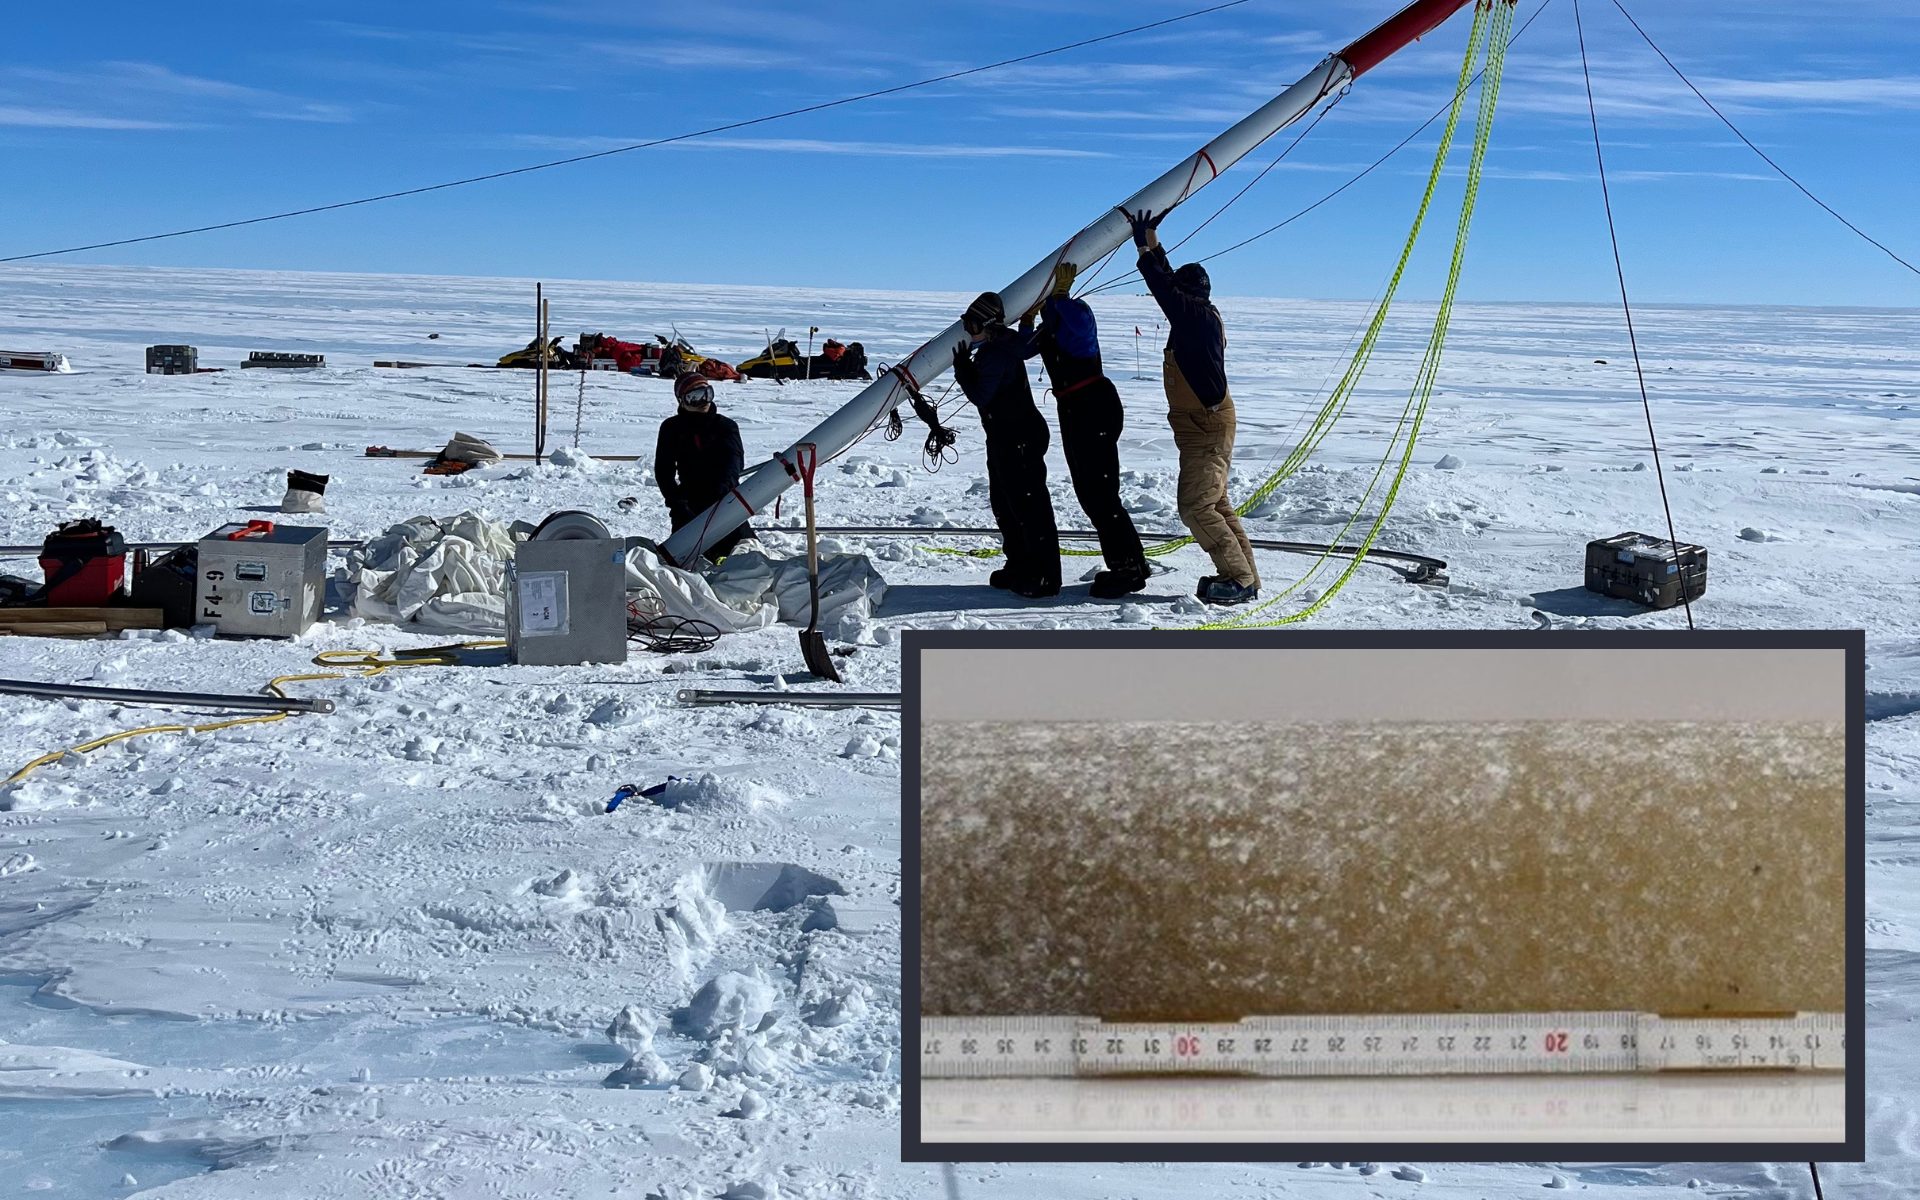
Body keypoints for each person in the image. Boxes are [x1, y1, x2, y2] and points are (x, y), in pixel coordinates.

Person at [1121, 206, 1260, 605]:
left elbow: (1164, 288)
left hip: (1207, 425)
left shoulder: (1195, 318)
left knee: (1195, 507)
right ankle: (1245, 578)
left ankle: (1237, 578)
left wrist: (1144, 248)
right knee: (1214, 503)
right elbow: (1170, 285)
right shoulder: (1195, 316)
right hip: (1203, 425)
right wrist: (1151, 241)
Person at [1023, 261, 1149, 598]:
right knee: (1090, 492)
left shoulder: (1075, 313)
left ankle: (1128, 568)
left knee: (1100, 493)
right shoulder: (1051, 324)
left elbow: (1080, 324)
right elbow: (1024, 348)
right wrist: (1027, 319)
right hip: (1075, 410)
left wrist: (1061, 297)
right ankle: (1131, 561)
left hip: (1093, 406)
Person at [951, 291, 1062, 598]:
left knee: (1029, 507)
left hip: (1019, 438)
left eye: (972, 324)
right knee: (1005, 504)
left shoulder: (997, 353)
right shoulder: (997, 347)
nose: (968, 331)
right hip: (1004, 437)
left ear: (987, 324)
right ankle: (1020, 564)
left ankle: (1044, 577)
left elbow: (981, 396)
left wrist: (963, 371)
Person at [655, 372, 754, 563]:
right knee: (683, 560)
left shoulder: (725, 426)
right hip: (688, 503)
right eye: (695, 398)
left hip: (724, 502)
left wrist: (722, 497)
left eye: (707, 394)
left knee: (743, 557)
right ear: (682, 400)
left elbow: (733, 464)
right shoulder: (672, 428)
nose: (703, 402)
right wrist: (677, 503)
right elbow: (663, 471)